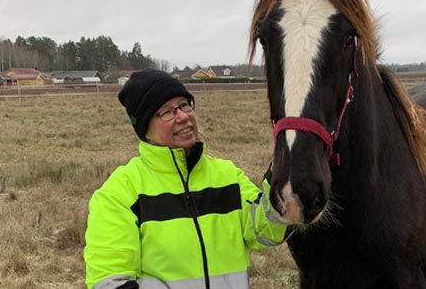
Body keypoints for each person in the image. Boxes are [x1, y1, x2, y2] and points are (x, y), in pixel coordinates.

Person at [84, 69, 288, 289]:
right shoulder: (120, 193)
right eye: (166, 112)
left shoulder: (227, 176)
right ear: (144, 129)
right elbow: (109, 281)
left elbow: (265, 231)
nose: (183, 116)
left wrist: (284, 173)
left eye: (184, 105)